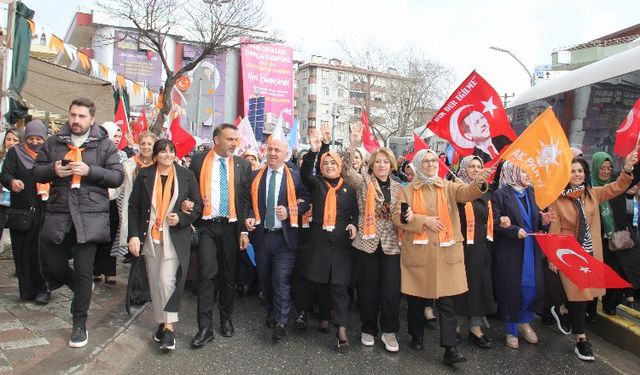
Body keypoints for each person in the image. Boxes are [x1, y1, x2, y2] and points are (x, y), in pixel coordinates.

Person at [33, 98, 124, 348]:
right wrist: (53, 170)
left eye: (82, 116)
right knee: (53, 265)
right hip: (59, 213)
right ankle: (77, 286)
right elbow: (36, 171)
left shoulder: (105, 145)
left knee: (85, 271)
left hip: (90, 216)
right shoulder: (54, 142)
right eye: (73, 115)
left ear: (91, 119)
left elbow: (117, 177)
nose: (76, 120)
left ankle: (79, 324)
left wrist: (90, 171)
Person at [392, 149, 490, 365]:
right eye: (425, 161)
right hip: (419, 254)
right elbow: (398, 217)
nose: (430, 164)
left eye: (433, 160)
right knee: (416, 301)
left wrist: (479, 183)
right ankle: (416, 335)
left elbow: (466, 193)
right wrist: (422, 221)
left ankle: (450, 349)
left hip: (446, 253)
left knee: (447, 303)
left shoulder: (448, 187)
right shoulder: (407, 191)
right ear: (418, 165)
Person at [547, 151, 637, 361]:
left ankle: (563, 310)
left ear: (585, 173)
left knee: (587, 295)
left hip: (590, 255)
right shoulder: (558, 200)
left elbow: (616, 187)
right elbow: (554, 229)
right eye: (572, 171)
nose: (576, 174)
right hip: (568, 255)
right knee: (580, 296)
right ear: (565, 174)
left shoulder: (593, 194)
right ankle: (581, 340)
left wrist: (628, 168)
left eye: (580, 170)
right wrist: (553, 257)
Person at [128, 139, 202, 351]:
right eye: (163, 151)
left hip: (174, 237)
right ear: (155, 155)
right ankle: (161, 323)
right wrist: (133, 235)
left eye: (171, 151)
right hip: (150, 237)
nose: (167, 155)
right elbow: (134, 208)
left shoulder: (186, 175)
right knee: (154, 282)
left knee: (166, 280)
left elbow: (197, 205)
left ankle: (169, 328)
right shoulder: (144, 175)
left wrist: (181, 217)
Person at [189, 123, 252, 347]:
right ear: (216, 140)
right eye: (230, 139)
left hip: (231, 227)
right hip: (206, 226)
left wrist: (244, 230)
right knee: (206, 275)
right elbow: (190, 188)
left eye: (236, 140)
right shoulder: (198, 160)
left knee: (228, 275)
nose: (235, 144)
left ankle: (226, 318)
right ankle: (204, 327)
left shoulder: (244, 165)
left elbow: (246, 200)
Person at [342, 125, 403, 353]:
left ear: (391, 165)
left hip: (391, 245)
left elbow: (403, 213)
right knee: (367, 289)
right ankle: (368, 328)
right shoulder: (364, 183)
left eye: (386, 162)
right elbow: (346, 172)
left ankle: (389, 331)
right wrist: (354, 145)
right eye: (377, 161)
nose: (382, 165)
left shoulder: (399, 188)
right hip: (366, 242)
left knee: (390, 290)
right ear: (371, 164)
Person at [245, 137, 310, 341]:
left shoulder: (296, 177)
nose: (273, 153)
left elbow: (306, 201)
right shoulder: (256, 177)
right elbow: (247, 202)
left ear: (285, 155)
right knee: (265, 280)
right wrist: (248, 218)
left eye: (277, 150)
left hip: (284, 239)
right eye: (270, 149)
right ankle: (272, 312)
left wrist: (291, 212)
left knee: (280, 279)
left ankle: (281, 321)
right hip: (262, 238)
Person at [300, 133, 358, 347]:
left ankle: (341, 327)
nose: (330, 165)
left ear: (340, 165)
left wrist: (354, 224)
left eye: (334, 162)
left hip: (342, 245)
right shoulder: (316, 184)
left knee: (339, 286)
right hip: (320, 243)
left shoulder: (350, 189)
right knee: (323, 283)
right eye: (325, 163)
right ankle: (324, 317)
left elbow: (356, 213)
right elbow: (305, 173)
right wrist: (315, 151)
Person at [492, 162, 553, 350]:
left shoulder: (532, 193)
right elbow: (493, 223)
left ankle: (524, 321)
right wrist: (512, 229)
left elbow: (536, 221)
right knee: (511, 289)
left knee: (532, 288)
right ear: (513, 173)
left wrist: (544, 222)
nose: (528, 175)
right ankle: (511, 328)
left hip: (530, 248)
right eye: (524, 171)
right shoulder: (500, 195)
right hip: (511, 250)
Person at [0, 120, 49, 303]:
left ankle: (43, 288)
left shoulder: (48, 154)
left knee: (40, 252)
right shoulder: (15, 153)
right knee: (21, 251)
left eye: (39, 138)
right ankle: (26, 290)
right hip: (21, 212)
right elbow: (5, 175)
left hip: (44, 211)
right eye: (31, 138)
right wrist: (12, 182)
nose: (35, 142)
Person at [453, 155, 497, 349]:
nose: (476, 169)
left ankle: (475, 329)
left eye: (479, 166)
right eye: (471, 166)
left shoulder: (486, 191)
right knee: (461, 288)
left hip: (481, 247)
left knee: (479, 288)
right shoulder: (457, 190)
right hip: (462, 246)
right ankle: (454, 327)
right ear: (464, 169)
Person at [591, 152, 640, 315]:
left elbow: (631, 178)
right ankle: (588, 312)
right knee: (596, 275)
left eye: (609, 168)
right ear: (595, 167)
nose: (605, 171)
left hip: (617, 239)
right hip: (596, 240)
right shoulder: (589, 189)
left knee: (617, 272)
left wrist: (630, 164)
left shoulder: (616, 184)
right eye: (602, 168)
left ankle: (610, 305)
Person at [112, 131, 158, 258]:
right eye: (143, 143)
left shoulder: (160, 165)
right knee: (136, 245)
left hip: (154, 210)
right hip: (135, 210)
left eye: (150, 144)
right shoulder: (129, 164)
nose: (146, 146)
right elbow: (118, 186)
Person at [92, 122, 125, 285]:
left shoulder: (123, 156)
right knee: (98, 235)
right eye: (115, 135)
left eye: (120, 136)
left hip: (115, 202)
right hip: (98, 199)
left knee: (112, 236)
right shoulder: (96, 152)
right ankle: (96, 270)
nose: (117, 139)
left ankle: (110, 271)